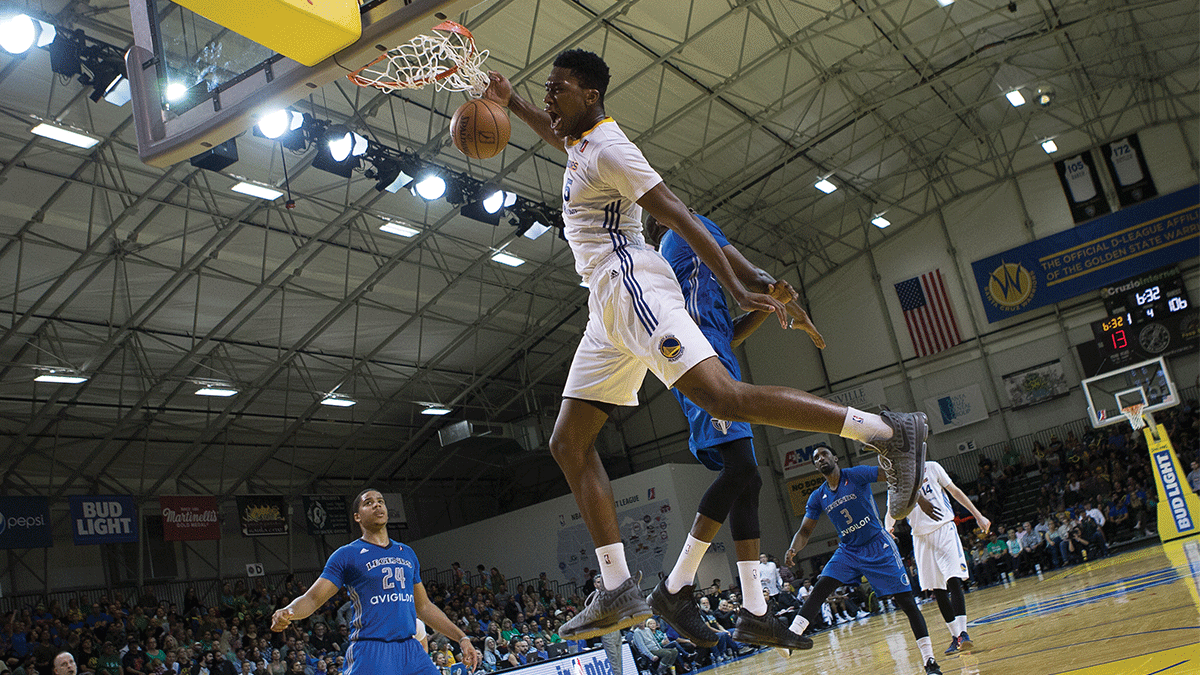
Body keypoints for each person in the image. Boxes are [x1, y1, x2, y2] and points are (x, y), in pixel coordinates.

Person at [483, 48, 928, 642]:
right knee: (569, 442)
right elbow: (551, 131)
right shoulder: (580, 142)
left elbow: (681, 217)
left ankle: (886, 431)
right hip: (604, 306)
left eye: (556, 90)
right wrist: (510, 101)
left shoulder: (613, 148)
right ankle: (616, 586)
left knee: (726, 399)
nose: (547, 99)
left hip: (630, 281)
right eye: (545, 90)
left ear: (589, 95)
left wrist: (737, 287)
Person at [635, 211, 816, 650]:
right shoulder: (686, 232)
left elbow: (725, 333)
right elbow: (751, 274)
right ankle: (675, 589)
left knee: (747, 480)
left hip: (715, 364)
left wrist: (771, 307)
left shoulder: (685, 267)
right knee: (740, 473)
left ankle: (755, 612)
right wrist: (773, 289)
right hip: (703, 372)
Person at [270, 490, 480, 675]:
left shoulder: (406, 553)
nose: (377, 504)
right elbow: (313, 598)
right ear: (357, 516)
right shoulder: (346, 555)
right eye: (368, 502)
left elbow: (423, 606)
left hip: (410, 648)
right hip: (371, 649)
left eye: (380, 501)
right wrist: (288, 611)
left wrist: (461, 638)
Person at [785, 446, 943, 674]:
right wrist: (793, 548)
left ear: (835, 457)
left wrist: (918, 498)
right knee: (821, 587)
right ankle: (793, 635)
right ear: (815, 466)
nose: (820, 459)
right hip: (848, 550)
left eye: (824, 455)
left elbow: (893, 477)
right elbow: (805, 531)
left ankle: (930, 661)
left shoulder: (856, 474)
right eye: (816, 458)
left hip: (878, 544)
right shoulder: (818, 496)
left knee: (907, 603)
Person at [884, 460, 991, 656]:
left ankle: (964, 633)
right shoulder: (896, 479)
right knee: (938, 590)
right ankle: (955, 637)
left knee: (954, 580)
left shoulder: (931, 467)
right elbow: (892, 509)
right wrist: (887, 528)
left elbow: (955, 491)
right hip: (920, 537)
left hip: (943, 529)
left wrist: (978, 515)